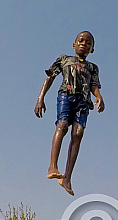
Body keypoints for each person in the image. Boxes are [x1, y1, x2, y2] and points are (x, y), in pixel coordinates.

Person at [34, 31, 104, 195]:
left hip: (83, 101)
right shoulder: (64, 59)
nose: (84, 44)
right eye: (81, 41)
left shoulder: (92, 68)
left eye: (88, 43)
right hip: (66, 95)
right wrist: (40, 98)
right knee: (63, 125)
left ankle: (67, 177)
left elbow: (94, 85)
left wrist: (99, 97)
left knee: (78, 133)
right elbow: (50, 77)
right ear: (74, 44)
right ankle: (53, 165)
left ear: (92, 49)